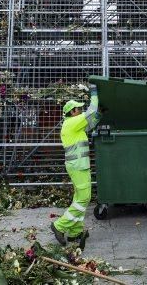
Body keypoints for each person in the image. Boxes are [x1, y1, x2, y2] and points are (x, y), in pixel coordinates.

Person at [51, 83, 101, 248]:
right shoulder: (71, 123)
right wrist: (94, 93)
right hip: (78, 167)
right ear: (72, 112)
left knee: (80, 199)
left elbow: (91, 122)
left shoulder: (74, 125)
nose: (80, 110)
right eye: (78, 109)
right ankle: (60, 226)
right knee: (84, 198)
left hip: (79, 166)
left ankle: (75, 232)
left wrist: (100, 115)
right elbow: (91, 112)